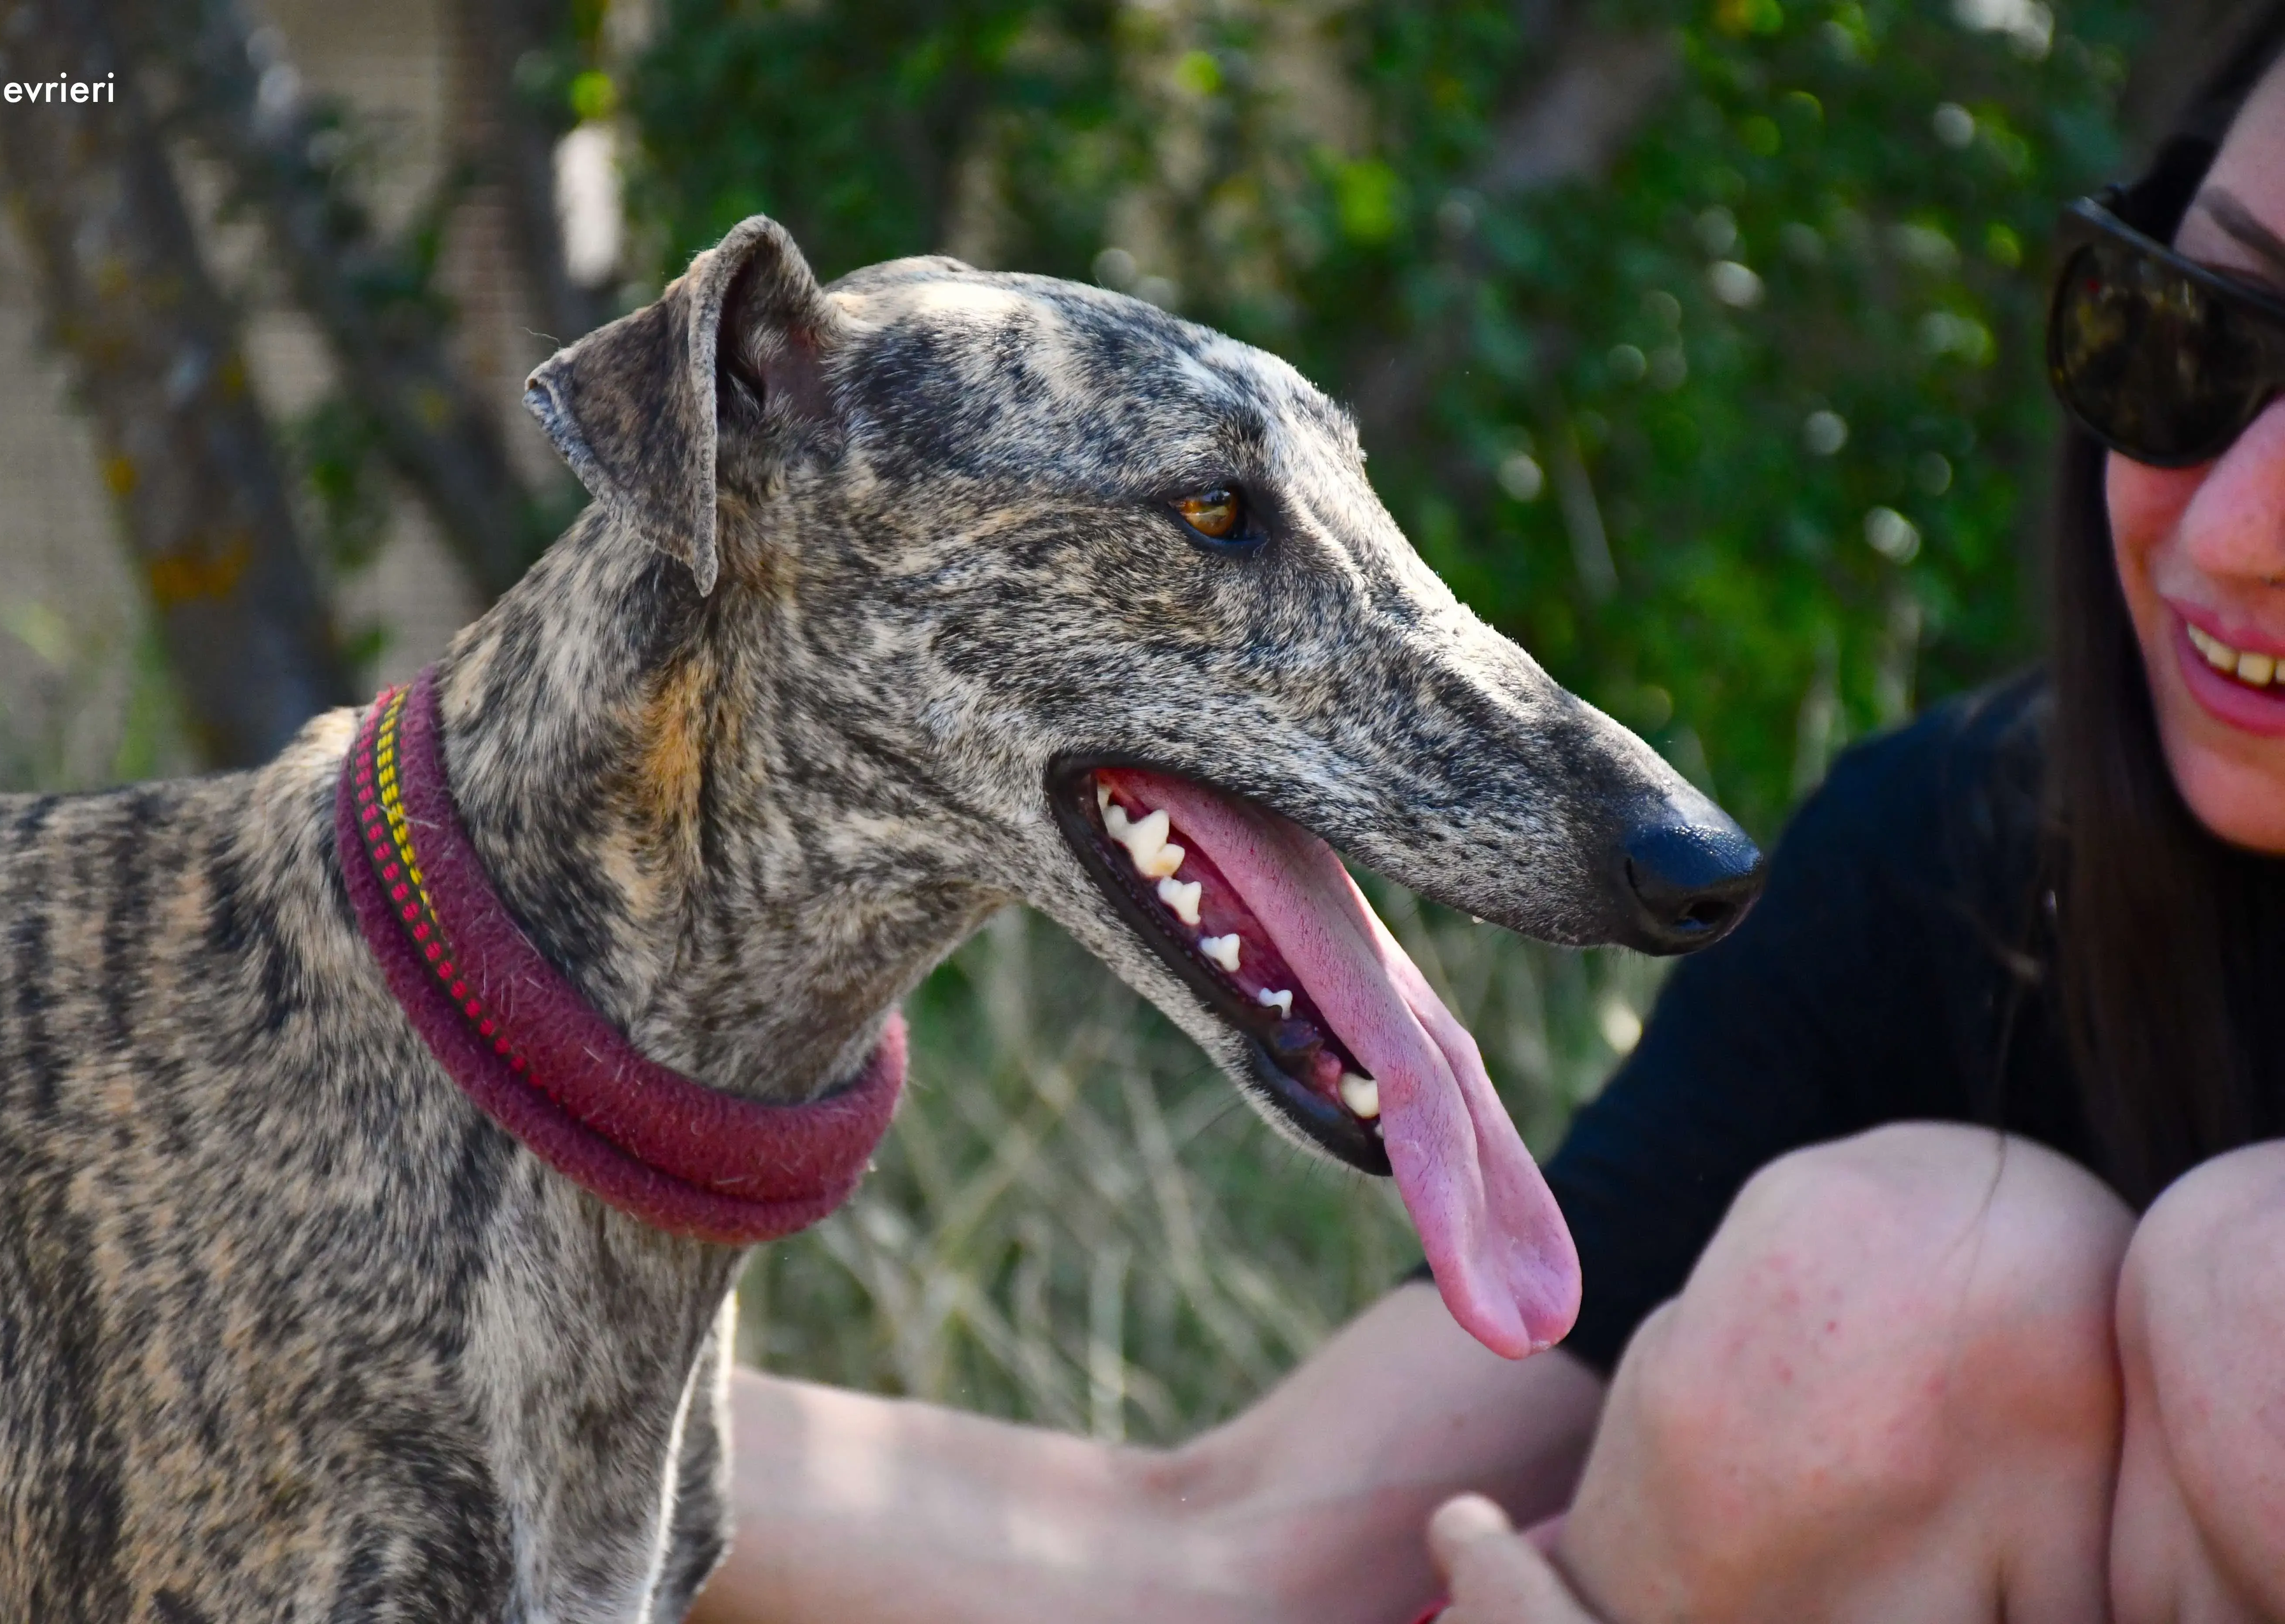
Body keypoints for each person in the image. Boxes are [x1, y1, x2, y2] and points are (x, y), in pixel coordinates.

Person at [687, 13, 2285, 1621]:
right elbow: (1220, 1556)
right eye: (2199, 331)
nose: (2227, 535)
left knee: (2248, 1288)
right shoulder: (1962, 861)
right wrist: (453, 1390)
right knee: (1889, 1282)